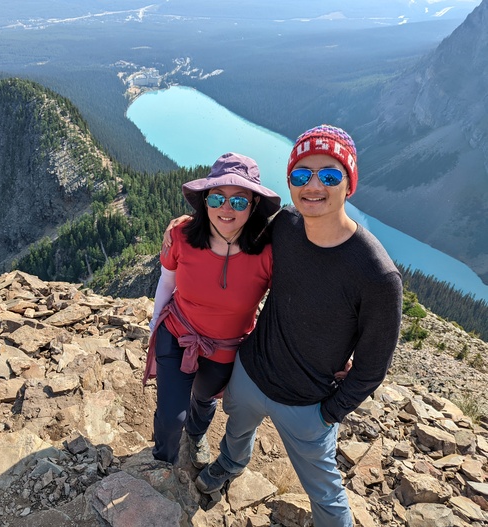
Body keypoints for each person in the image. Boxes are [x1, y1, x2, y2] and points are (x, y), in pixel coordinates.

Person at [163, 125, 403, 527]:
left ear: (350, 182)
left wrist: (330, 414)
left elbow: (372, 367)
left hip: (308, 404)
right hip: (250, 372)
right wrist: (187, 226)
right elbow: (233, 234)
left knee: (325, 494)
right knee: (236, 433)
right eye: (300, 175)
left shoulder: (377, 275)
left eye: (329, 175)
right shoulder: (286, 226)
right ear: (290, 182)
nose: (313, 186)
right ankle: (230, 466)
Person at [144, 152, 281, 469]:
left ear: (254, 205)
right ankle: (163, 465)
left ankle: (194, 436)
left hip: (224, 351)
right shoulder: (182, 235)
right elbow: (167, 283)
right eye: (217, 197)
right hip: (177, 334)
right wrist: (154, 328)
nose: (226, 208)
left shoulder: (269, 253)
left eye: (239, 201)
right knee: (169, 416)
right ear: (205, 200)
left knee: (203, 402)